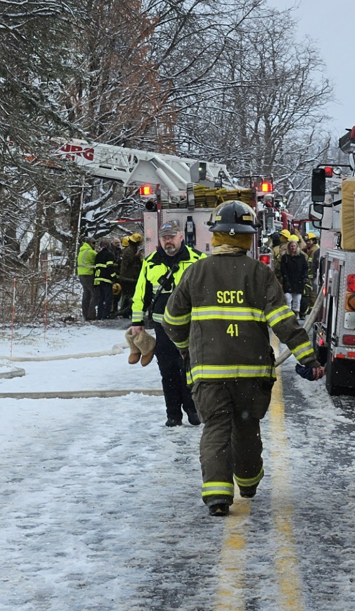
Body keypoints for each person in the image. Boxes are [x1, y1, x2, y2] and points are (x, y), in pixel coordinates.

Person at [163, 201, 324, 517]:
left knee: (216, 429)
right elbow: (284, 321)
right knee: (247, 428)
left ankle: (218, 498)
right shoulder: (259, 273)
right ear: (248, 237)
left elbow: (171, 319)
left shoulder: (196, 272)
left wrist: (186, 348)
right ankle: (248, 484)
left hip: (208, 374)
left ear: (216, 237)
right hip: (251, 376)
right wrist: (309, 358)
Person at [130, 221, 204, 427]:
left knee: (189, 370)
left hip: (190, 326)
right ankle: (173, 414)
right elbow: (140, 293)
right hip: (162, 327)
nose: (168, 241)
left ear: (182, 236)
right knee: (167, 371)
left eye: (172, 236)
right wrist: (137, 321)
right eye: (164, 237)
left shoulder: (198, 260)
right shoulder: (151, 262)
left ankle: (192, 409)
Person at [278, 236, 309, 313]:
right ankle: (288, 313)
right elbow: (283, 269)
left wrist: (305, 277)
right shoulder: (285, 257)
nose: (293, 248)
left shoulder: (301, 257)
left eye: (294, 246)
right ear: (289, 247)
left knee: (297, 299)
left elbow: (305, 267)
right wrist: (285, 280)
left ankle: (296, 314)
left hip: (299, 281)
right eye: (291, 246)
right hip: (288, 281)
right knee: (288, 298)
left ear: (297, 247)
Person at [117, 233, 144, 317]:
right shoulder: (129, 251)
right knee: (128, 296)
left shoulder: (133, 249)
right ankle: (125, 312)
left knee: (130, 296)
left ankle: (128, 312)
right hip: (127, 278)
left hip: (131, 277)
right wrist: (136, 257)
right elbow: (127, 263)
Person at [92, 237, 119, 320]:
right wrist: (115, 276)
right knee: (108, 298)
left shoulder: (97, 255)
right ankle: (106, 315)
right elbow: (109, 267)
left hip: (97, 280)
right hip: (106, 280)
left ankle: (99, 315)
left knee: (100, 298)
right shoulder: (109, 255)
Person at [77, 238, 98, 321]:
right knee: (94, 294)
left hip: (81, 274)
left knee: (86, 294)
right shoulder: (91, 252)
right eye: (93, 243)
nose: (94, 245)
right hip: (89, 274)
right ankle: (91, 314)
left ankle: (85, 314)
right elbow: (98, 258)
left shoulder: (81, 251)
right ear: (89, 243)